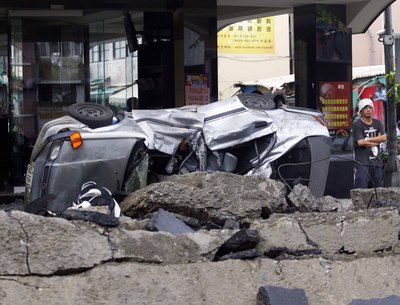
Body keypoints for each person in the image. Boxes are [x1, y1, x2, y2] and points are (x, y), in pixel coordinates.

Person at [353, 98, 387, 188]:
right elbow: (360, 142)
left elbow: (384, 137)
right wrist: (376, 141)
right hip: (363, 164)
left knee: (377, 192)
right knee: (361, 191)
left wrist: (367, 139)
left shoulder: (378, 123)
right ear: (360, 111)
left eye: (370, 108)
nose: (368, 110)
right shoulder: (357, 125)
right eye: (365, 108)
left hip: (377, 163)